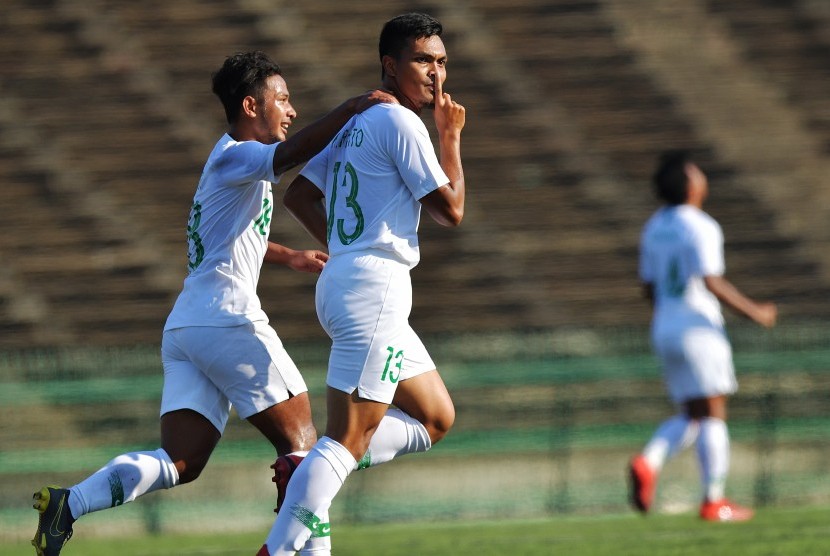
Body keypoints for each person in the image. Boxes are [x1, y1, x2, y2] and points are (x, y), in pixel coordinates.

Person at [30, 51, 394, 556]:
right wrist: (352, 107)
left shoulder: (226, 165)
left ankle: (68, 503)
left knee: (181, 459)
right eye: (282, 99)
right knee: (306, 448)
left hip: (188, 327)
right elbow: (286, 159)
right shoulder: (239, 155)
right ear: (250, 105)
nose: (290, 110)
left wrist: (288, 257)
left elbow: (231, 237)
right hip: (227, 319)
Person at [258, 12, 466, 555]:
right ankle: (278, 546)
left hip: (353, 284)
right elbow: (451, 210)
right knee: (347, 441)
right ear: (390, 65)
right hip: (375, 289)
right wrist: (450, 137)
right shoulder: (400, 122)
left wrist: (347, 245)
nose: (436, 73)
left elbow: (300, 195)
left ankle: (310, 465)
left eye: (442, 62)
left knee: (435, 416)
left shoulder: (360, 121)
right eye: (423, 60)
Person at [629, 150, 777, 522]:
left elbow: (648, 287)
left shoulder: (654, 226)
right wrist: (755, 311)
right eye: (697, 173)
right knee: (713, 413)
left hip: (665, 325)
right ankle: (714, 500)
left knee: (692, 414)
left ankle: (649, 461)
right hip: (697, 326)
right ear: (689, 183)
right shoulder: (701, 225)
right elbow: (711, 281)